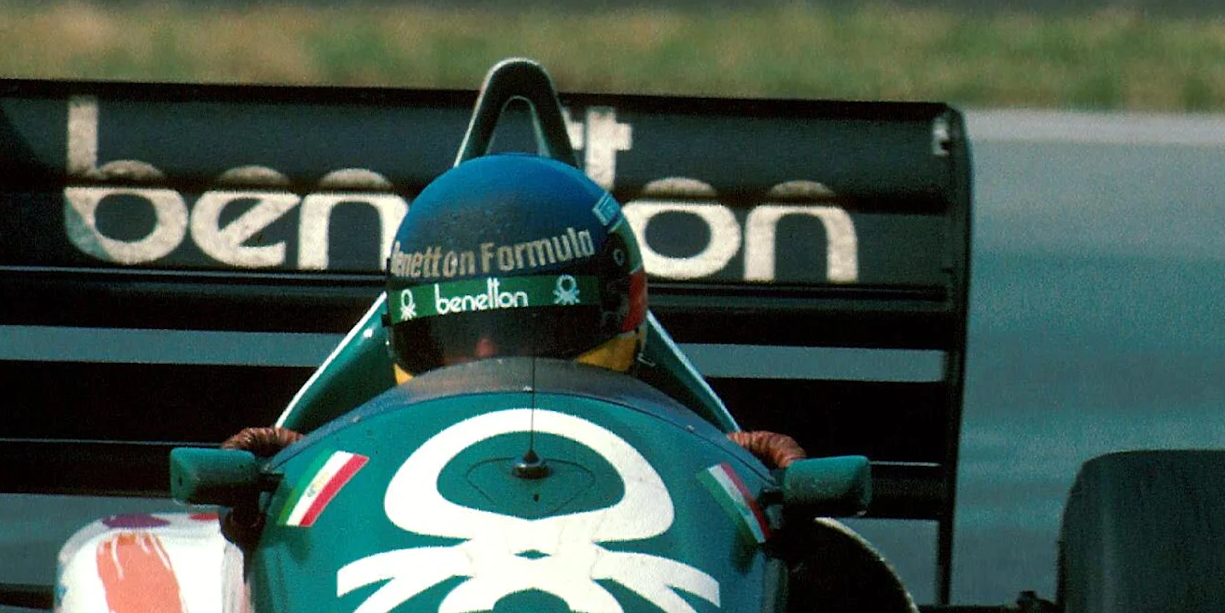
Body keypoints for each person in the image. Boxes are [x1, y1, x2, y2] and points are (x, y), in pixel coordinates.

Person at [225, 150, 805, 471]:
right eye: (461, 337)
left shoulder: (713, 474)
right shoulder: (328, 476)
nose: (488, 360)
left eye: (528, 331)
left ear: (627, 308)